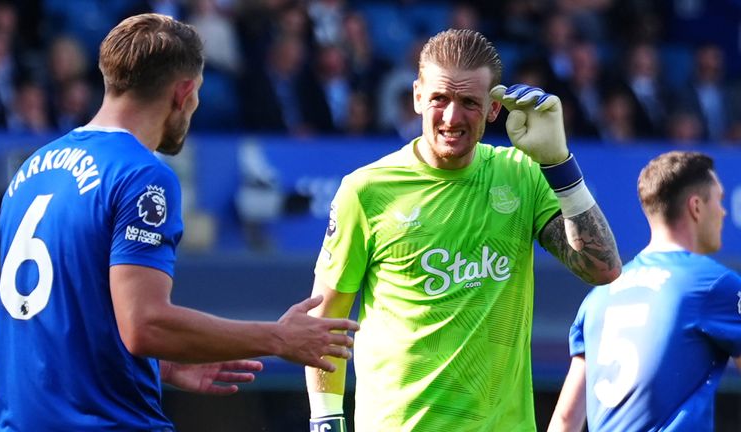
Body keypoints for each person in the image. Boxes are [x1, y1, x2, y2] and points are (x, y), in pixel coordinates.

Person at [0, 13, 359, 431]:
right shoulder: (142, 175)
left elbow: (63, 315)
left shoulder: (32, 170)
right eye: (197, 94)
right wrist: (279, 337)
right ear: (183, 93)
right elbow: (144, 324)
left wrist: (158, 367)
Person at [305, 28, 622, 431]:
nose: (452, 117)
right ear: (418, 95)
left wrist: (559, 165)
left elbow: (604, 269)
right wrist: (326, 419)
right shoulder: (366, 191)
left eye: (470, 103)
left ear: (493, 109)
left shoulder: (522, 175)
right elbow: (324, 319)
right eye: (440, 98)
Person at [548, 151, 741, 432]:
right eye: (719, 200)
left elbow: (566, 420)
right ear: (696, 207)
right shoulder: (713, 284)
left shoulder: (598, 297)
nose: (723, 212)